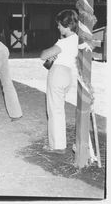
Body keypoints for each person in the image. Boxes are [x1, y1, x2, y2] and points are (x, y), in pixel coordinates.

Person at [40, 9, 79, 154]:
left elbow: (43, 55)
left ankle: (56, 146)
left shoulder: (65, 41)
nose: (58, 27)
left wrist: (50, 53)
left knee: (54, 110)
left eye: (59, 25)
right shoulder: (76, 39)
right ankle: (59, 142)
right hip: (68, 73)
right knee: (59, 110)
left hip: (57, 74)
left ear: (67, 25)